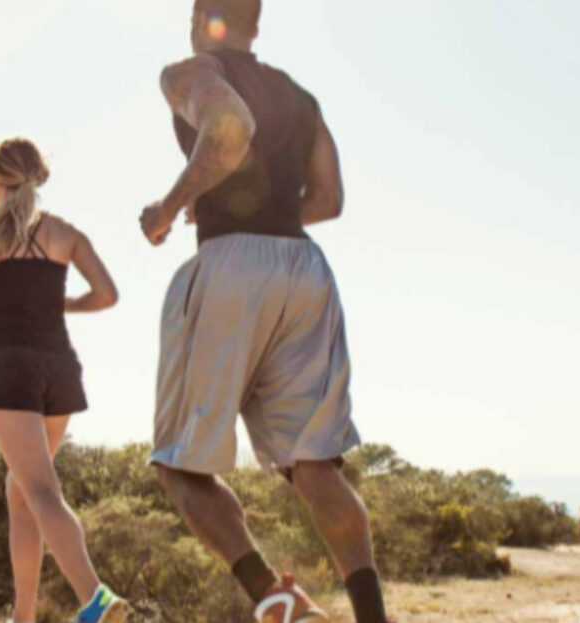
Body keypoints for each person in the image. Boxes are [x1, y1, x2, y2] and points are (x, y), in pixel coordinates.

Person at [138, 2, 392, 622]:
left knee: (180, 466)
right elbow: (328, 198)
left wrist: (170, 207)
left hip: (230, 265)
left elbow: (228, 130)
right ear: (255, 23)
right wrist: (261, 211)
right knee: (315, 468)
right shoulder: (301, 98)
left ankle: (279, 604)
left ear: (202, 16)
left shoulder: (189, 71)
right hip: (304, 270)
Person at [0, 137, 128, 623]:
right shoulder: (65, 233)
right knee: (21, 490)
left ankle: (95, 599)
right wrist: (58, 305)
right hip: (59, 369)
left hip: (9, 369)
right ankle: (22, 616)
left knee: (41, 489)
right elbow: (107, 295)